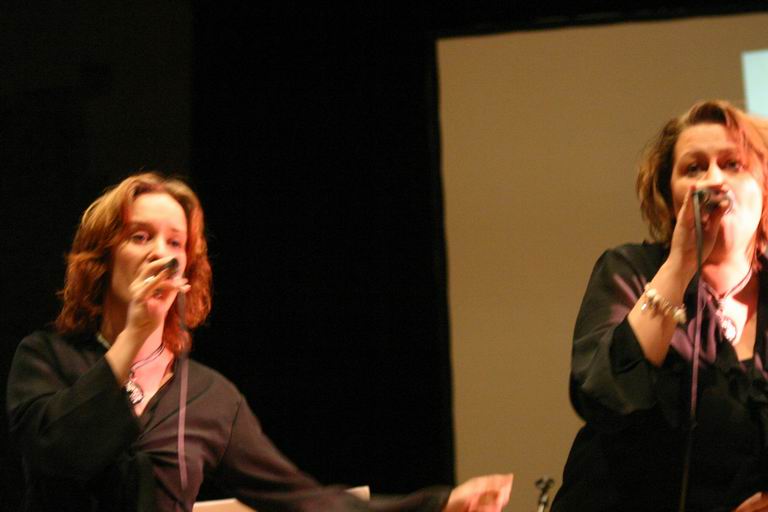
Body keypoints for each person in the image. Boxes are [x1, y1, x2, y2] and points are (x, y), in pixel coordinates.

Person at [6, 173, 513, 512]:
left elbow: (303, 501)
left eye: (175, 242)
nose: (162, 254)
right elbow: (58, 454)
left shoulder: (210, 396)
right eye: (140, 236)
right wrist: (135, 335)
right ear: (103, 256)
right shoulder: (46, 357)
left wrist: (434, 504)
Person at [550, 100, 768, 512]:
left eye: (732, 165)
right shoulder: (631, 271)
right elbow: (604, 396)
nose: (713, 181)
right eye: (694, 168)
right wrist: (681, 263)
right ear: (669, 197)